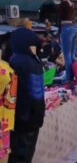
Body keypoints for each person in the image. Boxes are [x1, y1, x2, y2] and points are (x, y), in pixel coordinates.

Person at [8, 27, 45, 163]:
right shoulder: (35, 61)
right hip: (36, 116)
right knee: (28, 154)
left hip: (22, 118)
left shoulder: (16, 61)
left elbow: (12, 91)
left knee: (18, 155)